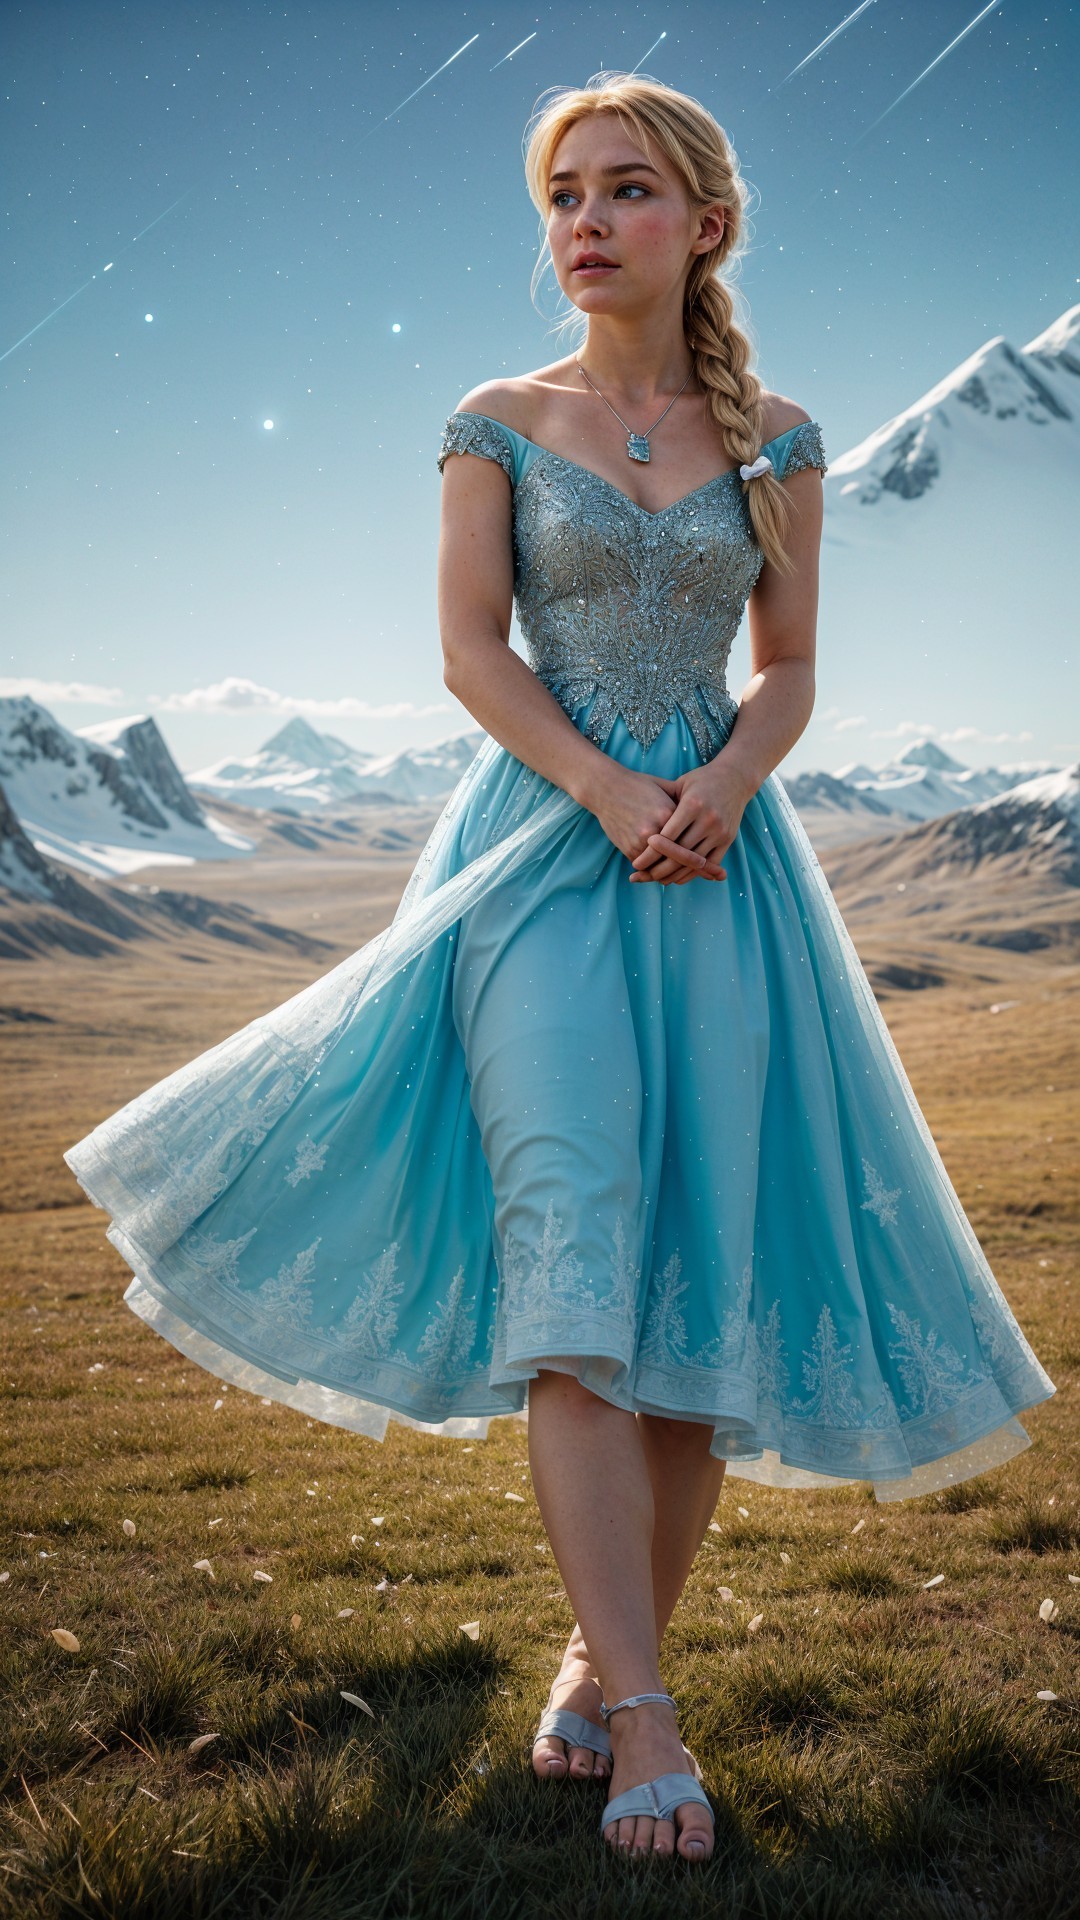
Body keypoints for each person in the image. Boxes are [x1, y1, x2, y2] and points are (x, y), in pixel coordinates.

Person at [65, 72, 1056, 1867]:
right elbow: (462, 652)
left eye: (624, 190)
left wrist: (723, 788)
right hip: (535, 862)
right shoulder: (491, 421)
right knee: (576, 1246)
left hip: (725, 877)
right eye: (562, 194)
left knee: (692, 1290)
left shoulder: (783, 436)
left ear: (704, 224)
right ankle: (649, 1721)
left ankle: (605, 1666)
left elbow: (794, 666)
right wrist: (606, 789)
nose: (583, 221)